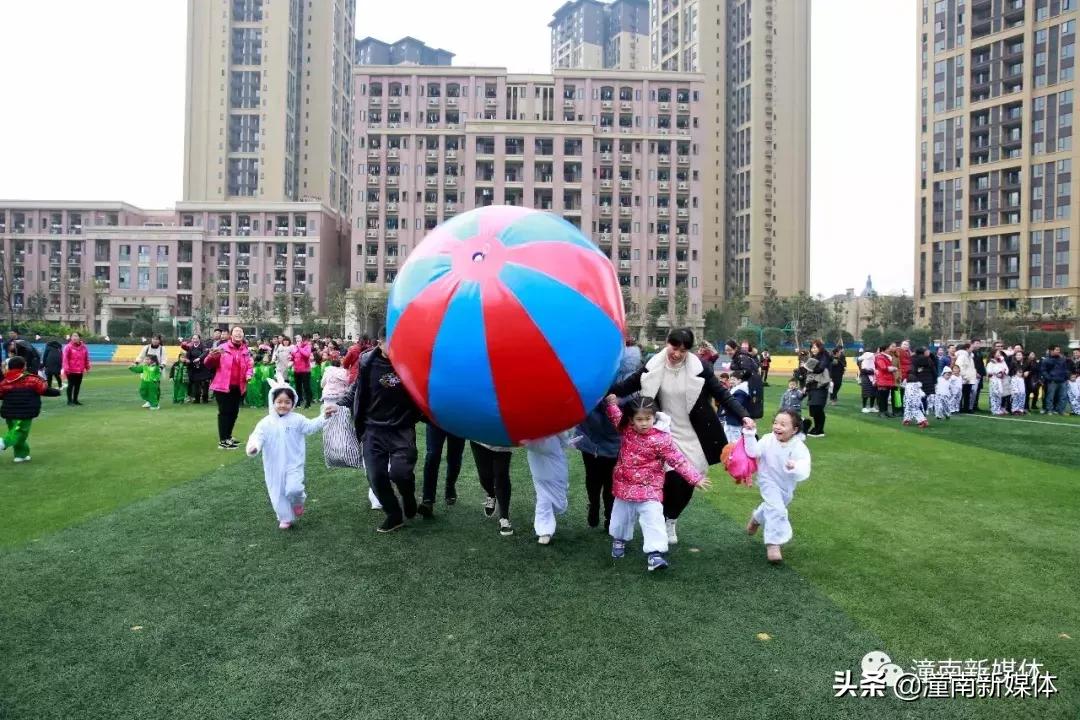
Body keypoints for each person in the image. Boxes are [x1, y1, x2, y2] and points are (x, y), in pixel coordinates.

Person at [611, 328, 754, 545]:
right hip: (665, 431)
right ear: (667, 342)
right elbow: (628, 385)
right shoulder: (653, 365)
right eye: (674, 347)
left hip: (695, 434)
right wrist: (605, 392)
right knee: (669, 480)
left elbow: (722, 395)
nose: (677, 353)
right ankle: (658, 518)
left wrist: (744, 416)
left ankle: (671, 519)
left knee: (688, 481)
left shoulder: (700, 368)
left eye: (683, 350)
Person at [604, 395, 709, 572]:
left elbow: (678, 460)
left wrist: (695, 478)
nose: (644, 423)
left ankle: (655, 554)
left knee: (654, 519)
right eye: (639, 419)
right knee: (621, 517)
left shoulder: (662, 438)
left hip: (650, 488)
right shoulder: (626, 429)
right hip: (625, 485)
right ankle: (619, 540)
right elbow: (616, 416)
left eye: (648, 418)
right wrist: (611, 404)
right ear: (631, 419)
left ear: (654, 417)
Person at [338, 328, 422, 533]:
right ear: (380, 342)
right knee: (376, 477)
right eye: (390, 343)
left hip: (401, 428)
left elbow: (424, 389)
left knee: (401, 473)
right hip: (373, 429)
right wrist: (340, 404)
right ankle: (394, 514)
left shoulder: (409, 361)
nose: (395, 348)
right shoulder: (367, 361)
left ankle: (408, 496)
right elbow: (358, 388)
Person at [246, 381, 337, 529]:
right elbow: (257, 437)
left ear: (293, 402)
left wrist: (323, 417)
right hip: (273, 466)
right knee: (277, 492)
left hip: (294, 463)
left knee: (294, 489)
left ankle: (298, 502)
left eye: (287, 402)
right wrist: (254, 447)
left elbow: (310, 427)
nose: (283, 405)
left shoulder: (297, 419)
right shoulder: (266, 423)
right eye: (279, 402)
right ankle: (285, 518)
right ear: (273, 402)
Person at [742, 409, 812, 564]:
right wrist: (749, 434)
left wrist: (795, 466)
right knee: (778, 509)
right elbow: (753, 452)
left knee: (774, 506)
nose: (777, 427)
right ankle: (773, 544)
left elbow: (804, 464)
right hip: (767, 480)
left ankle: (756, 518)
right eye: (775, 423)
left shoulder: (798, 446)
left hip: (786, 486)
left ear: (794, 430)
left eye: (783, 424)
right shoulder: (767, 439)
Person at [0, 356, 62, 462]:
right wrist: (57, 392)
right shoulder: (32, 379)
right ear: (23, 367)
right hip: (25, 411)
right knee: (20, 432)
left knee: (15, 432)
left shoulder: (5, 381)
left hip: (9, 411)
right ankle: (3, 443)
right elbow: (43, 389)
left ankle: (21, 455)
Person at [204, 326, 254, 450]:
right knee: (225, 412)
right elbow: (208, 364)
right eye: (236, 332)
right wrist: (211, 356)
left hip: (238, 386)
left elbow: (249, 365)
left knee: (234, 412)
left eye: (240, 332)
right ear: (231, 335)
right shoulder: (222, 348)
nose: (238, 334)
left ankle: (228, 437)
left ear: (243, 335)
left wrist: (248, 375)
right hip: (223, 386)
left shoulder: (245, 350)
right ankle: (223, 440)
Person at [525, 433, 571, 545]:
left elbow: (564, 434)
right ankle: (544, 531)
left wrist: (566, 440)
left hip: (555, 463)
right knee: (543, 498)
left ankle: (546, 525)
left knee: (559, 503)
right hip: (538, 463)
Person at [802, 340, 831, 437]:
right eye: (812, 347)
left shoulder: (824, 356)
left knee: (818, 407)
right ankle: (816, 428)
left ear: (820, 348)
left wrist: (808, 367)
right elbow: (809, 373)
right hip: (812, 385)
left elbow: (820, 369)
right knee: (814, 407)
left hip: (821, 385)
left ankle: (819, 429)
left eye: (815, 347)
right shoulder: (813, 357)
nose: (813, 349)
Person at [61, 332, 91, 406]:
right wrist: (66, 368)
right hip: (70, 370)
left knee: (77, 385)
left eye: (76, 336)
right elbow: (65, 359)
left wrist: (87, 367)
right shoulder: (68, 347)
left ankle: (75, 400)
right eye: (73, 336)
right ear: (71, 338)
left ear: (79, 338)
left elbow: (86, 358)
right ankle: (69, 401)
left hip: (80, 370)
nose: (74, 337)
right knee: (71, 385)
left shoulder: (84, 347)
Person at [1039, 345, 1069, 415]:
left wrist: (1066, 377)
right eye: (1057, 350)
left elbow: (1065, 369)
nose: (1058, 351)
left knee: (1063, 397)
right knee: (1050, 397)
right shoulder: (1046, 360)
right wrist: (1049, 378)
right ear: (1051, 351)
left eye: (1059, 350)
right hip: (1052, 381)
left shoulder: (1063, 359)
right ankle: (1049, 410)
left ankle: (1061, 410)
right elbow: (1043, 371)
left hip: (1062, 381)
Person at [290, 334, 314, 409]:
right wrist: (291, 358)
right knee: (298, 387)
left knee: (306, 387)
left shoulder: (307, 346)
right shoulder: (294, 347)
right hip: (297, 370)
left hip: (305, 370)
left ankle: (308, 403)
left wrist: (299, 347)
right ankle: (298, 402)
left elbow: (307, 355)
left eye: (299, 338)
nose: (297, 340)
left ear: (302, 340)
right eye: (296, 338)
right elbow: (293, 356)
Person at [873, 345, 898, 417]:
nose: (889, 350)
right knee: (882, 397)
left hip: (887, 379)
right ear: (884, 350)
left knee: (886, 396)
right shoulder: (880, 357)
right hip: (882, 379)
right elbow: (883, 367)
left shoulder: (886, 357)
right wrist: (892, 368)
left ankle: (885, 411)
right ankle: (881, 412)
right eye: (888, 349)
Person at [954, 343, 978, 413]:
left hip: (969, 378)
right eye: (971, 347)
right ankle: (959, 408)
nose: (972, 349)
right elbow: (960, 367)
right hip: (963, 378)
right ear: (967, 348)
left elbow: (971, 368)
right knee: (961, 394)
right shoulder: (962, 356)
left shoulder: (970, 356)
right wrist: (964, 377)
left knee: (967, 394)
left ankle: (966, 408)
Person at [986, 350, 1009, 416]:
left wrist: (1003, 373)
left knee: (999, 395)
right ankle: (994, 409)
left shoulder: (1002, 361)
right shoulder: (991, 362)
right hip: (994, 380)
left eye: (999, 353)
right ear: (993, 354)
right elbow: (989, 371)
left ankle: (998, 409)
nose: (999, 354)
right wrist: (998, 372)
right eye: (997, 353)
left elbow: (1006, 369)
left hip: (1001, 380)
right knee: (994, 395)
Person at [857, 347, 877, 413]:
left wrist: (873, 371)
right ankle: (864, 407)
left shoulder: (873, 361)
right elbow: (863, 371)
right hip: (866, 378)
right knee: (865, 393)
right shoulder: (862, 361)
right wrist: (873, 371)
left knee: (873, 393)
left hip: (873, 379)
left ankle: (871, 407)